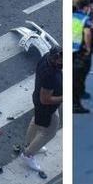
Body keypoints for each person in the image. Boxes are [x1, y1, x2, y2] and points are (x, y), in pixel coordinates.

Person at [20, 44, 62, 173]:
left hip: (38, 102)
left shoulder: (46, 58)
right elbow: (46, 99)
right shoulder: (49, 74)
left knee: (36, 121)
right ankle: (28, 154)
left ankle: (30, 145)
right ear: (55, 58)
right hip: (46, 106)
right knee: (49, 132)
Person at [71, 0, 93, 114]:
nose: (91, 9)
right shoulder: (85, 18)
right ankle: (75, 105)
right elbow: (87, 33)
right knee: (77, 79)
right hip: (78, 52)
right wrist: (88, 48)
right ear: (85, 8)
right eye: (90, 7)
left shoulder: (71, 15)